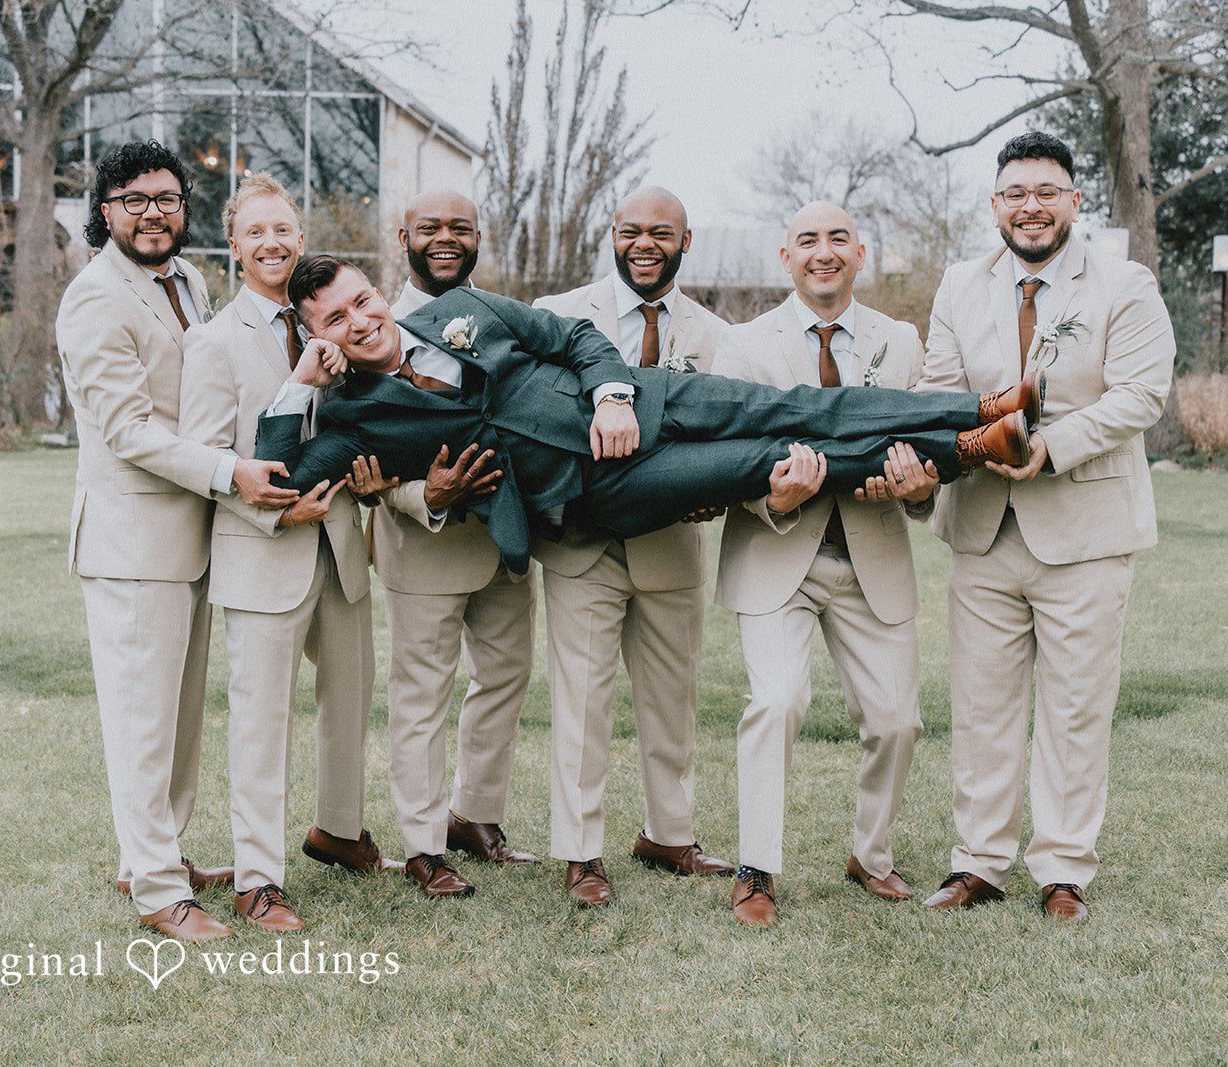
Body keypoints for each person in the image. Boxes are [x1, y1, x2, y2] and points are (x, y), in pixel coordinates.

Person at [256, 255, 1038, 576]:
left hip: (651, 396)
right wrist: (299, 382)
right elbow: (283, 477)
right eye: (335, 321)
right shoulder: (353, 420)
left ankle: (977, 408)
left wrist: (611, 395)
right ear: (317, 335)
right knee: (769, 458)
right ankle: (970, 447)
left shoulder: (459, 307)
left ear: (378, 292)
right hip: (595, 490)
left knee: (805, 405)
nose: (359, 321)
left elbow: (575, 337)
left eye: (362, 300)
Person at [916, 132, 1175, 923]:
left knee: (1075, 709)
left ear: (1074, 200)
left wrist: (1051, 446)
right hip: (982, 528)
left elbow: (1142, 393)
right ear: (995, 205)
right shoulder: (960, 285)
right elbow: (938, 391)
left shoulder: (1125, 284)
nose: (1031, 206)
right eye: (1015, 193)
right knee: (981, 707)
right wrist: (954, 450)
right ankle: (979, 862)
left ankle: (1063, 869)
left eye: (1047, 192)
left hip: (1085, 531)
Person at [55, 140, 296, 943]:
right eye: (134, 200)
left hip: (192, 535)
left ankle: (153, 857)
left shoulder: (187, 279)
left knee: (181, 719)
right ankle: (158, 891)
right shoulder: (95, 299)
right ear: (106, 211)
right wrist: (232, 471)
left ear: (185, 207)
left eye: (166, 197)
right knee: (142, 723)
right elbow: (128, 431)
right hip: (132, 545)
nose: (152, 212)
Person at [713, 201, 961, 927]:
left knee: (898, 720)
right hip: (776, 552)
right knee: (778, 701)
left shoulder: (901, 342)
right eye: (808, 241)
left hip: (870, 558)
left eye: (838, 239)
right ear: (786, 258)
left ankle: (871, 856)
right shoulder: (743, 345)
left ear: (860, 254)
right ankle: (756, 869)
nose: (823, 252)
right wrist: (771, 497)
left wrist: (920, 491)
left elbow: (926, 449)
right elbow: (721, 456)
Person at [177, 173, 398, 933]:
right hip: (262, 552)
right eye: (255, 232)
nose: (271, 242)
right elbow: (205, 457)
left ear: (300, 239)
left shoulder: (332, 323)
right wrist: (274, 510)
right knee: (260, 719)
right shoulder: (212, 342)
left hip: (339, 546)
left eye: (283, 229)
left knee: (351, 697)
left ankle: (339, 829)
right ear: (234, 247)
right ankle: (257, 880)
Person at [532, 187, 734, 906]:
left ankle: (668, 834)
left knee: (673, 699)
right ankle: (581, 853)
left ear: (686, 241)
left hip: (671, 542)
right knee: (582, 703)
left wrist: (714, 490)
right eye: (630, 231)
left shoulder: (718, 335)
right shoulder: (558, 313)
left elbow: (727, 432)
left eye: (660, 233)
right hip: (581, 542)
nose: (643, 244)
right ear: (611, 234)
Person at [364, 189, 541, 899]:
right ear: (402, 236)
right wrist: (425, 496)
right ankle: (423, 846)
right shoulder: (373, 326)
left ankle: (475, 816)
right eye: (430, 227)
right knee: (421, 697)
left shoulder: (500, 319)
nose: (446, 238)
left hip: (505, 538)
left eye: (460, 228)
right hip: (423, 543)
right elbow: (360, 460)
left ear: (478, 238)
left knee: (506, 677)